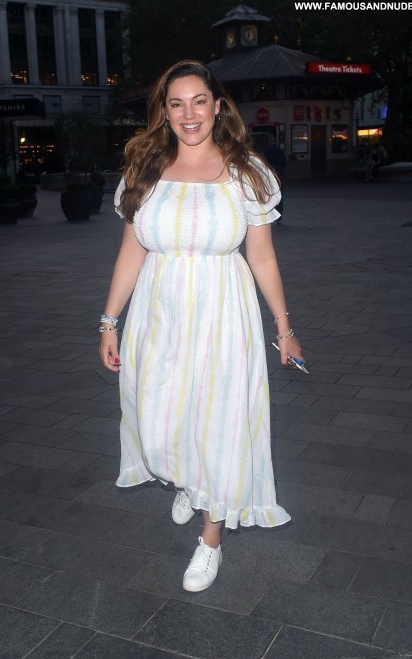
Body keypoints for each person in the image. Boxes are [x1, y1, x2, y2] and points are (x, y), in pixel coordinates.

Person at [98, 60, 304, 593]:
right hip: (159, 312)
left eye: (198, 101)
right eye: (176, 103)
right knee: (158, 415)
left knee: (220, 421)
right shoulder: (144, 168)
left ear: (217, 106)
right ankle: (188, 479)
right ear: (165, 112)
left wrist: (284, 329)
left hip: (223, 312)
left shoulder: (247, 173)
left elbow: (262, 257)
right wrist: (109, 321)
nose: (188, 113)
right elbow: (131, 251)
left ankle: (211, 537)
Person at [264, 136, 287, 223]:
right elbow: (284, 163)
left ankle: (269, 215)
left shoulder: (266, 151)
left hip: (270, 174)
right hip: (280, 173)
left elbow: (264, 163)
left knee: (269, 194)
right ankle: (279, 217)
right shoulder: (280, 150)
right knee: (280, 194)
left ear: (269, 142)